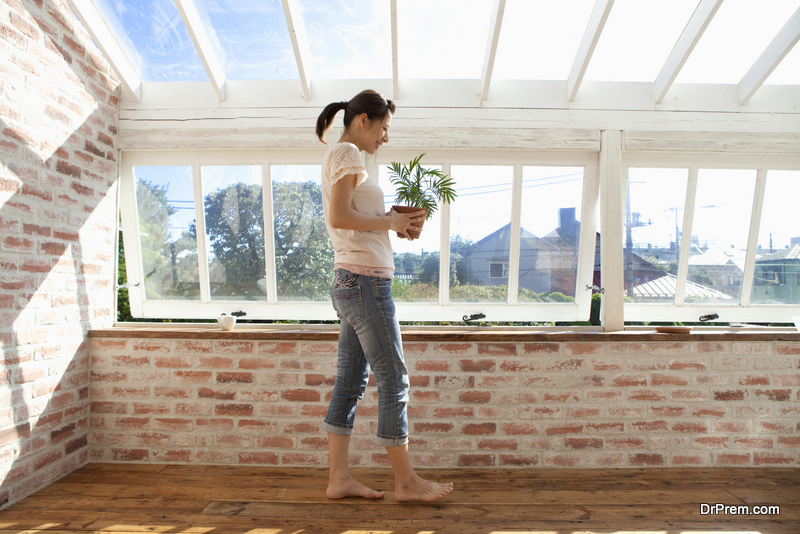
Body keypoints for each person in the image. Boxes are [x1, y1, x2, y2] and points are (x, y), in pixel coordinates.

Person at [316, 90, 454, 502]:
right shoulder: (347, 155)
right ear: (363, 120)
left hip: (351, 281)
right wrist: (391, 222)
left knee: (351, 383)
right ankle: (406, 483)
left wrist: (392, 222)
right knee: (394, 379)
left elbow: (354, 218)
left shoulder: (343, 157)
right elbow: (338, 216)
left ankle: (339, 479)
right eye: (384, 128)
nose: (386, 138)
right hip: (364, 283)